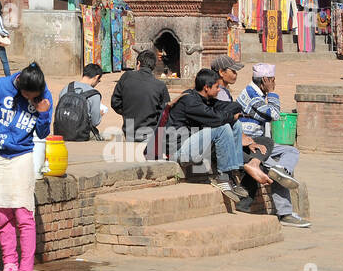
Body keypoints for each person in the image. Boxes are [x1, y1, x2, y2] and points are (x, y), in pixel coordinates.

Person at [0, 63, 53, 271]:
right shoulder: (0, 86)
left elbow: (42, 133)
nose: (33, 98)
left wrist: (43, 113)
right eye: (29, 95)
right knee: (2, 213)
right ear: (20, 87)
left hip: (22, 156)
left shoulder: (43, 94)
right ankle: (9, 266)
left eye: (36, 95)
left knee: (23, 213)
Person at [165, 68, 270, 204]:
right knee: (222, 127)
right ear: (206, 88)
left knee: (235, 124)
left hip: (194, 147)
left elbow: (235, 106)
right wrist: (228, 116)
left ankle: (232, 173)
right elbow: (216, 119)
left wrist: (229, 116)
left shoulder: (206, 99)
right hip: (180, 151)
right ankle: (223, 177)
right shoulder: (190, 102)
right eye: (216, 87)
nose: (219, 90)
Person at [236, 64, 310, 227]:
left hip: (261, 141)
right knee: (274, 168)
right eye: (272, 80)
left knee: (290, 152)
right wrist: (272, 93)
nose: (274, 83)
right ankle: (284, 214)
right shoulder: (251, 94)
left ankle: (282, 170)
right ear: (265, 80)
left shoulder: (258, 93)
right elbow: (275, 115)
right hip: (250, 143)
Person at [111, 49, 169, 142]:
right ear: (153, 66)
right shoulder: (160, 85)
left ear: (138, 63)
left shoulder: (126, 76)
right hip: (150, 133)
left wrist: (127, 112)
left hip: (129, 132)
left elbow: (115, 102)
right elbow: (165, 112)